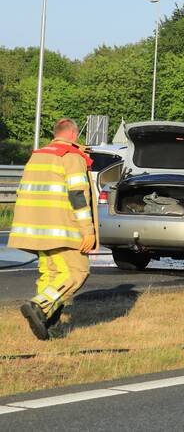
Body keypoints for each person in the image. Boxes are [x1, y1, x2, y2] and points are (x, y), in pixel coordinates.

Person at [10, 118, 96, 340]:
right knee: (76, 272)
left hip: (36, 229)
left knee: (50, 275)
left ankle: (48, 324)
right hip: (62, 230)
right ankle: (39, 306)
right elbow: (78, 196)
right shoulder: (71, 156)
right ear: (74, 134)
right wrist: (88, 231)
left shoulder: (37, 155)